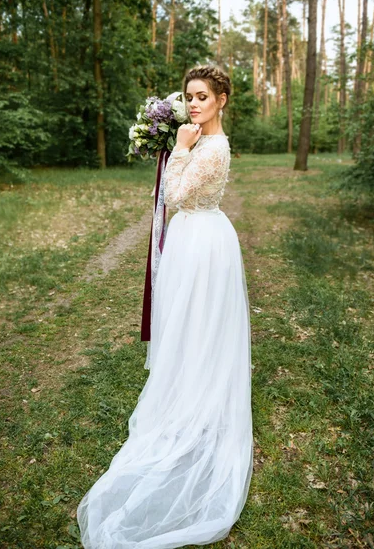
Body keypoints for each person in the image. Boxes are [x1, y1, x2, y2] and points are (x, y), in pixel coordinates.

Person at [77, 65, 253, 549]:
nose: (193, 104)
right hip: (189, 238)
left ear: (221, 101)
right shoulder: (201, 142)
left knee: (199, 322)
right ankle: (184, 385)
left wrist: (178, 149)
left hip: (204, 241)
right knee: (184, 323)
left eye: (202, 97)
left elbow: (174, 195)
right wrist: (180, 147)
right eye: (188, 97)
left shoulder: (213, 148)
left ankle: (197, 401)